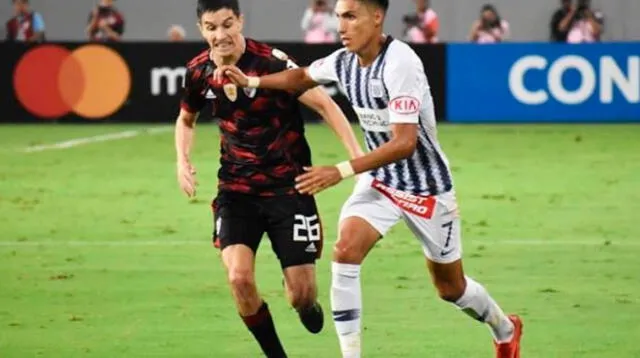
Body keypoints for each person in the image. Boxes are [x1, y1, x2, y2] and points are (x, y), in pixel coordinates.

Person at [215, 0, 523, 357]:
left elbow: (405, 143)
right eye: (338, 17)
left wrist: (342, 169)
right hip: (380, 181)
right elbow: (299, 77)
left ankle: (504, 328)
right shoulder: (343, 61)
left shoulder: (401, 62)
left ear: (377, 17)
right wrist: (252, 79)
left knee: (450, 287)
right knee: (345, 251)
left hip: (427, 188)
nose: (341, 26)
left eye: (350, 16)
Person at [175, 1, 363, 357]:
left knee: (301, 295)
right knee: (239, 278)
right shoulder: (197, 72)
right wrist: (182, 160)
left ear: (240, 21)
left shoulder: (272, 63)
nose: (221, 35)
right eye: (212, 27)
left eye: (227, 24)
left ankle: (305, 303)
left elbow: (325, 105)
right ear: (202, 29)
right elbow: (186, 119)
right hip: (236, 191)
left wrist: (355, 156)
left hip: (289, 189)